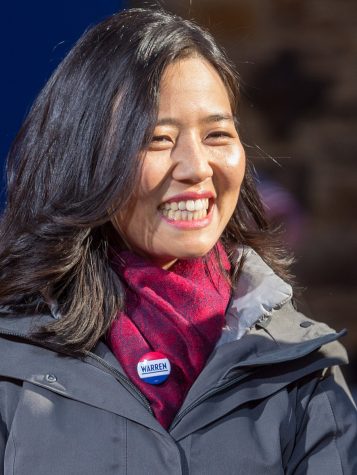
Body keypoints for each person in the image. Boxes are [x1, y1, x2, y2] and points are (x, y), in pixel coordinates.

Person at [0, 8, 356, 475]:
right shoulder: (13, 360)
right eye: (157, 138)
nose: (197, 167)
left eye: (217, 134)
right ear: (83, 157)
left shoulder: (300, 365)